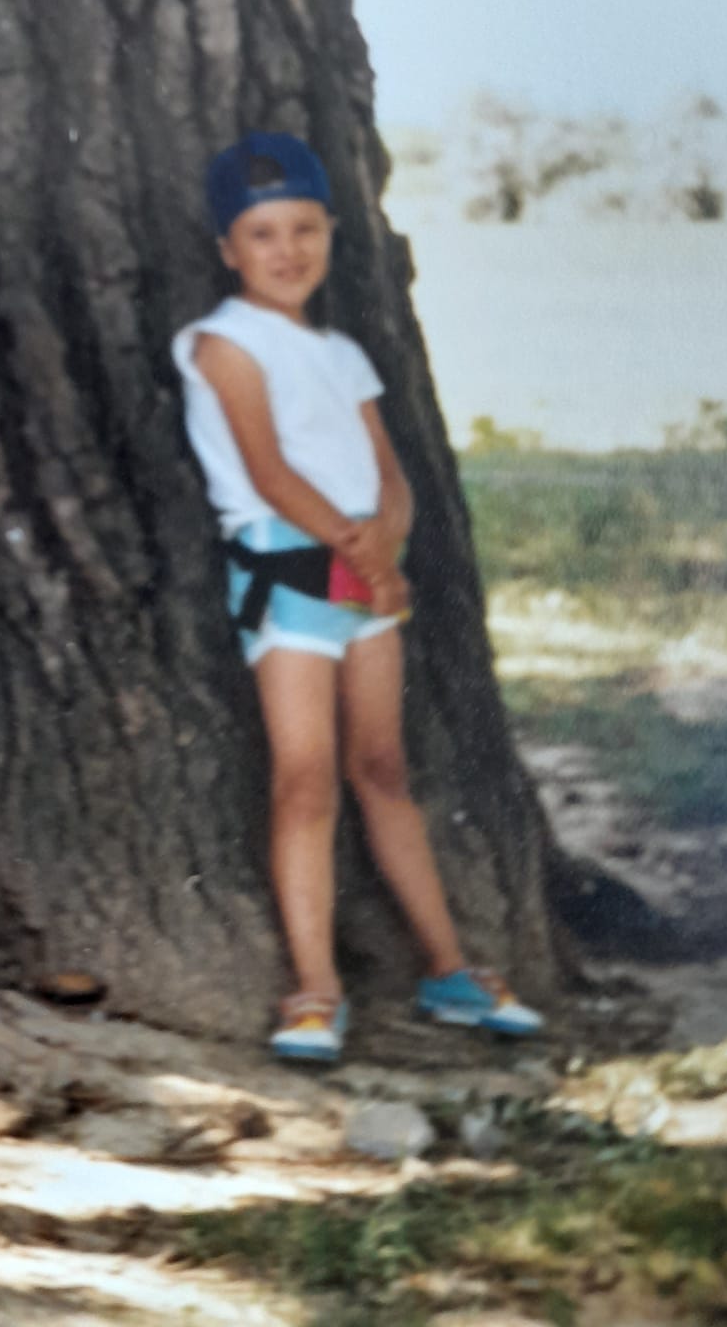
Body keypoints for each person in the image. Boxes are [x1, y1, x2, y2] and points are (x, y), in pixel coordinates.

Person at [172, 131, 543, 1062]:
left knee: (381, 769)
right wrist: (362, 551)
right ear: (228, 249)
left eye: (305, 228)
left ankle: (448, 969)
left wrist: (386, 542)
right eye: (263, 234)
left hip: (368, 579)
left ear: (333, 233)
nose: (287, 250)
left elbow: (390, 471)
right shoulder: (221, 344)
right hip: (290, 577)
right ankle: (314, 989)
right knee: (305, 778)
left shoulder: (341, 353)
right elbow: (267, 472)